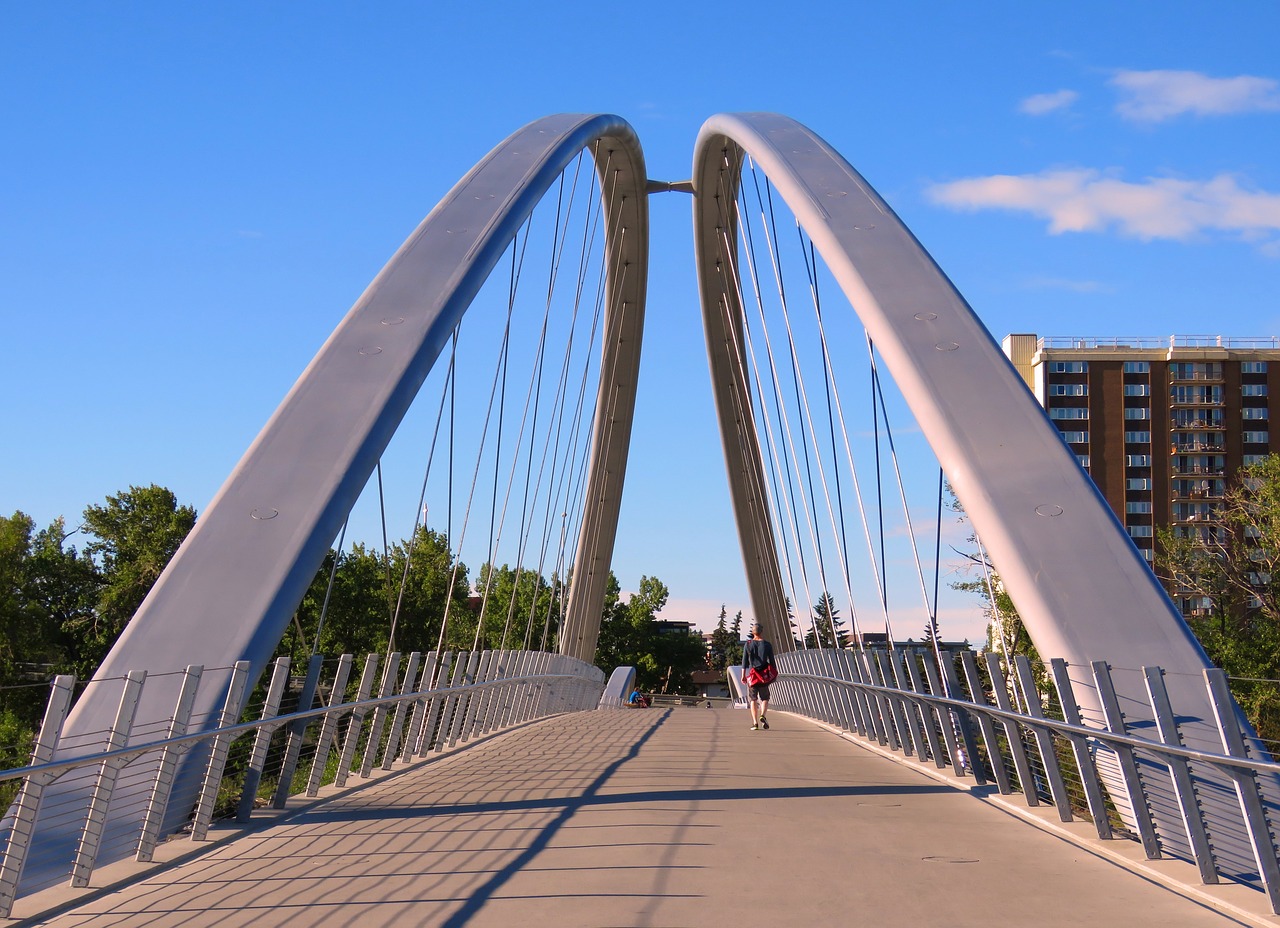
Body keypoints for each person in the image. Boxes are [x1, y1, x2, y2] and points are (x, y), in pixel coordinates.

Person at [740, 623, 775, 730]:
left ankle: (755, 723)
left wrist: (743, 676)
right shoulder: (767, 645)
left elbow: (744, 661)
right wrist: (773, 674)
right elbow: (772, 661)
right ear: (761, 632)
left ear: (752, 632)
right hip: (763, 675)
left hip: (753, 675)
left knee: (753, 699)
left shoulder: (748, 644)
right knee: (765, 698)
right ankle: (763, 715)